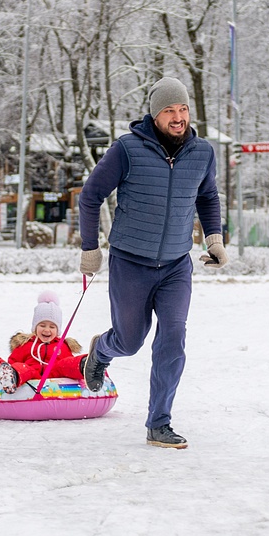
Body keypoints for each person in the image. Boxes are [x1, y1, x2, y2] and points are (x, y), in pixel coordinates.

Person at [77, 76, 227, 450]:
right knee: (129, 341)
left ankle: (159, 423)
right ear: (155, 115)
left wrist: (215, 238)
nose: (178, 117)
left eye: (183, 109)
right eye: (169, 111)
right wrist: (90, 248)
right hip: (131, 261)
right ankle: (101, 351)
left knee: (173, 338)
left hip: (177, 265)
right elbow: (91, 195)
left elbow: (207, 196)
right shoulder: (127, 149)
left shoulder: (203, 152)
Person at [1, 291, 87, 394]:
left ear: (58, 330)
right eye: (42, 325)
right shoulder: (26, 344)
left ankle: (86, 365)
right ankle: (11, 377)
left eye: (52, 327)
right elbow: (13, 361)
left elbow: (69, 363)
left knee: (65, 364)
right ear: (35, 327)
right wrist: (13, 369)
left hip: (56, 375)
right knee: (24, 368)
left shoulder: (62, 345)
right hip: (32, 376)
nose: (47, 330)